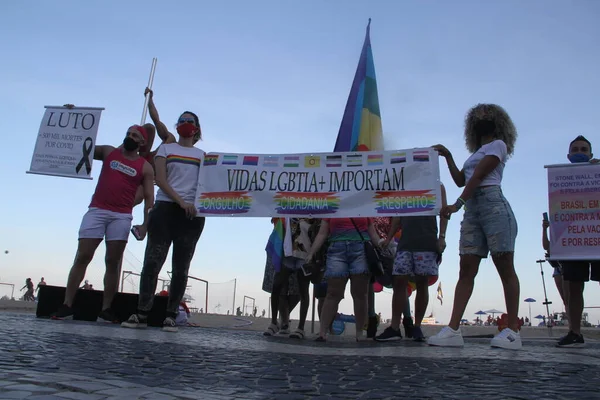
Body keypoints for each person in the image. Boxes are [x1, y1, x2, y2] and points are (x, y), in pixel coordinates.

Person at [427, 103, 521, 349]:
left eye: (486, 115)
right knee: (466, 268)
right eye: (478, 116)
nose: (482, 118)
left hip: (492, 207)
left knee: (504, 265)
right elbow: (462, 179)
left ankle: (512, 329)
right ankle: (453, 329)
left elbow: (479, 177)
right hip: (472, 211)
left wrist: (457, 205)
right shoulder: (475, 154)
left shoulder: (498, 146)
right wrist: (448, 156)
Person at [52, 125, 154, 321]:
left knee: (112, 262)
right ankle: (67, 305)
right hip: (97, 210)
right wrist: (76, 120)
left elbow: (149, 197)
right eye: (127, 133)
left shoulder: (145, 167)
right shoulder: (109, 152)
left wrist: (145, 224)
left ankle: (106, 309)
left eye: (134, 135)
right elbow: (83, 146)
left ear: (141, 142)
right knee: (82, 256)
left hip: (121, 216)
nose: (129, 137)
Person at [122, 96, 205, 333]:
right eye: (182, 120)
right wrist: (180, 201)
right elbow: (160, 179)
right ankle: (142, 312)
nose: (185, 123)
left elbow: (209, 184)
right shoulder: (167, 148)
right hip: (166, 209)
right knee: (152, 261)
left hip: (192, 216)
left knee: (181, 267)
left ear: (196, 129)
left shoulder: (203, 156)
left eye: (190, 121)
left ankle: (170, 314)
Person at [375, 184, 447, 342]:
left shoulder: (437, 186)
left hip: (426, 242)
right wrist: (389, 238)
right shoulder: (404, 186)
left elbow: (443, 212)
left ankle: (417, 327)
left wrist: (442, 236)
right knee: (399, 283)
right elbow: (397, 216)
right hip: (405, 244)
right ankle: (394, 327)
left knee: (422, 284)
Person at [554, 135, 599, 347]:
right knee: (573, 287)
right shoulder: (560, 176)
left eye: (583, 149)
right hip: (574, 239)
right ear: (569, 155)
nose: (579, 152)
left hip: (596, 236)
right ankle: (575, 331)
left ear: (591, 154)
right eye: (576, 149)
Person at [307, 218, 381, 342]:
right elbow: (322, 232)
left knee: (360, 294)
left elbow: (372, 233)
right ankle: (322, 331)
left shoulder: (363, 206)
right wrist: (312, 252)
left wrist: (382, 243)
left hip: (360, 249)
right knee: (332, 293)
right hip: (337, 249)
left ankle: (359, 333)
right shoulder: (333, 206)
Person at [264, 218, 319, 339]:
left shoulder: (314, 213)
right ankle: (274, 322)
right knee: (277, 285)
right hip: (287, 253)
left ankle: (300, 327)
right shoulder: (288, 208)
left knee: (303, 290)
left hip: (305, 255)